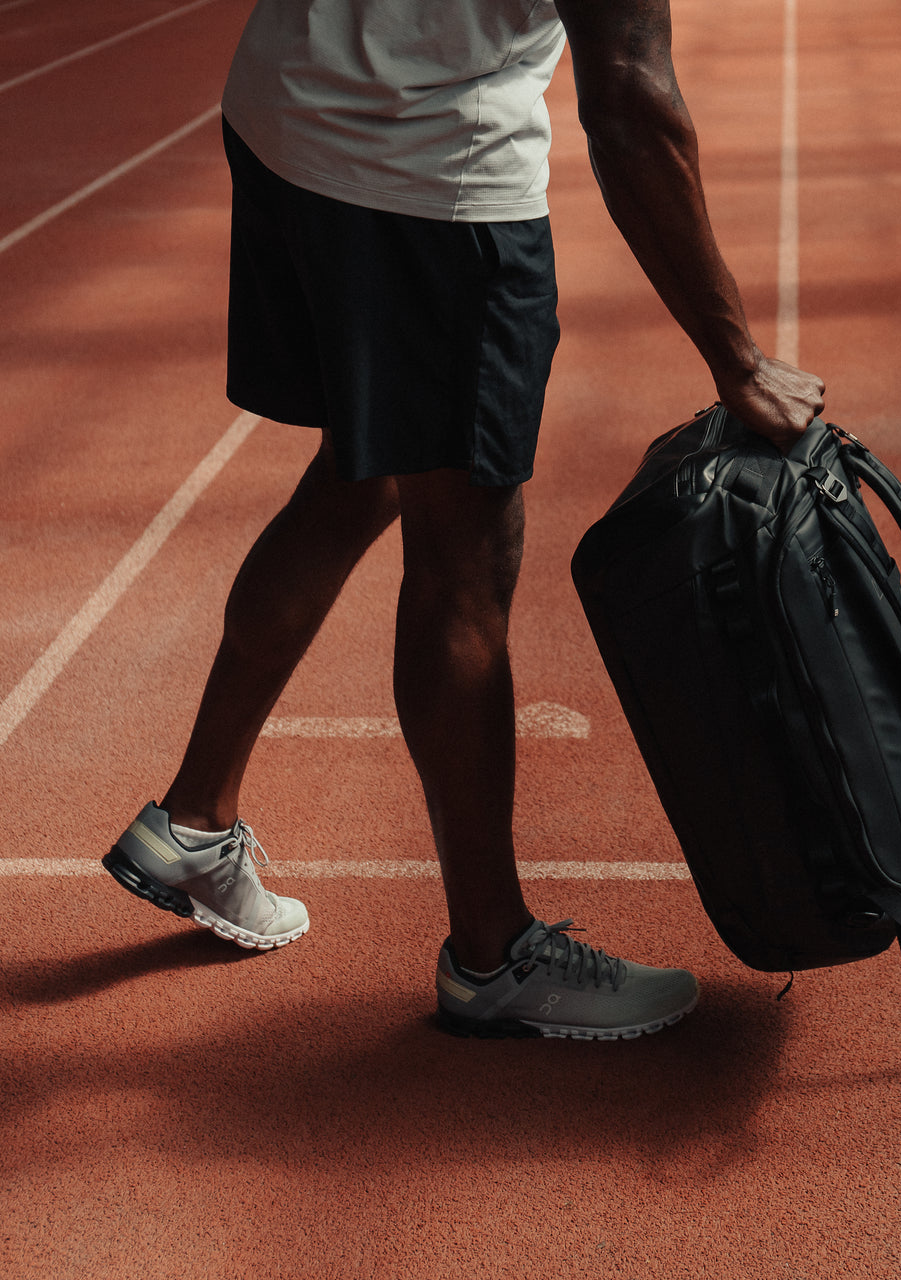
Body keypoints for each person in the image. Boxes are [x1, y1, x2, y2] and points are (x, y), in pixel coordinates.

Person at [103, 0, 826, 1040]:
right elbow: (629, 102)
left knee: (365, 474)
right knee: (463, 565)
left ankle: (193, 818)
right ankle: (491, 951)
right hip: (423, 180)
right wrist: (736, 355)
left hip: (286, 111)